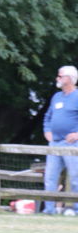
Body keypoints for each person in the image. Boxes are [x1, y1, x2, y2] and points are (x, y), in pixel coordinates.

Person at [42, 64, 78, 214]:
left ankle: (76, 209)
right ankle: (49, 210)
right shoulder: (56, 97)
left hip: (73, 144)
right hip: (54, 143)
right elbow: (47, 117)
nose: (57, 78)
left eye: (60, 76)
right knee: (50, 177)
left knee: (76, 178)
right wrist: (47, 131)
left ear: (69, 79)